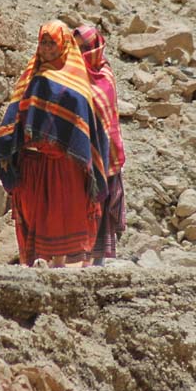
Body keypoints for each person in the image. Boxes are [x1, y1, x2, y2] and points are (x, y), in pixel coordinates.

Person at [0, 20, 109, 267]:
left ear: (63, 45)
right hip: (33, 160)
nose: (46, 49)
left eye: (51, 43)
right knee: (35, 213)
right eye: (42, 43)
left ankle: (59, 261)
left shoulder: (77, 82)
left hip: (65, 163)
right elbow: (17, 114)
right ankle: (38, 261)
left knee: (60, 214)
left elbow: (83, 121)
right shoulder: (31, 76)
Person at [74, 25, 127, 266]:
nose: (81, 52)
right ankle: (78, 258)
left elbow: (106, 114)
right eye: (76, 47)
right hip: (79, 152)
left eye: (86, 47)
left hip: (105, 152)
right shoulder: (69, 74)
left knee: (100, 203)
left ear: (96, 47)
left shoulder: (105, 74)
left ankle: (97, 264)